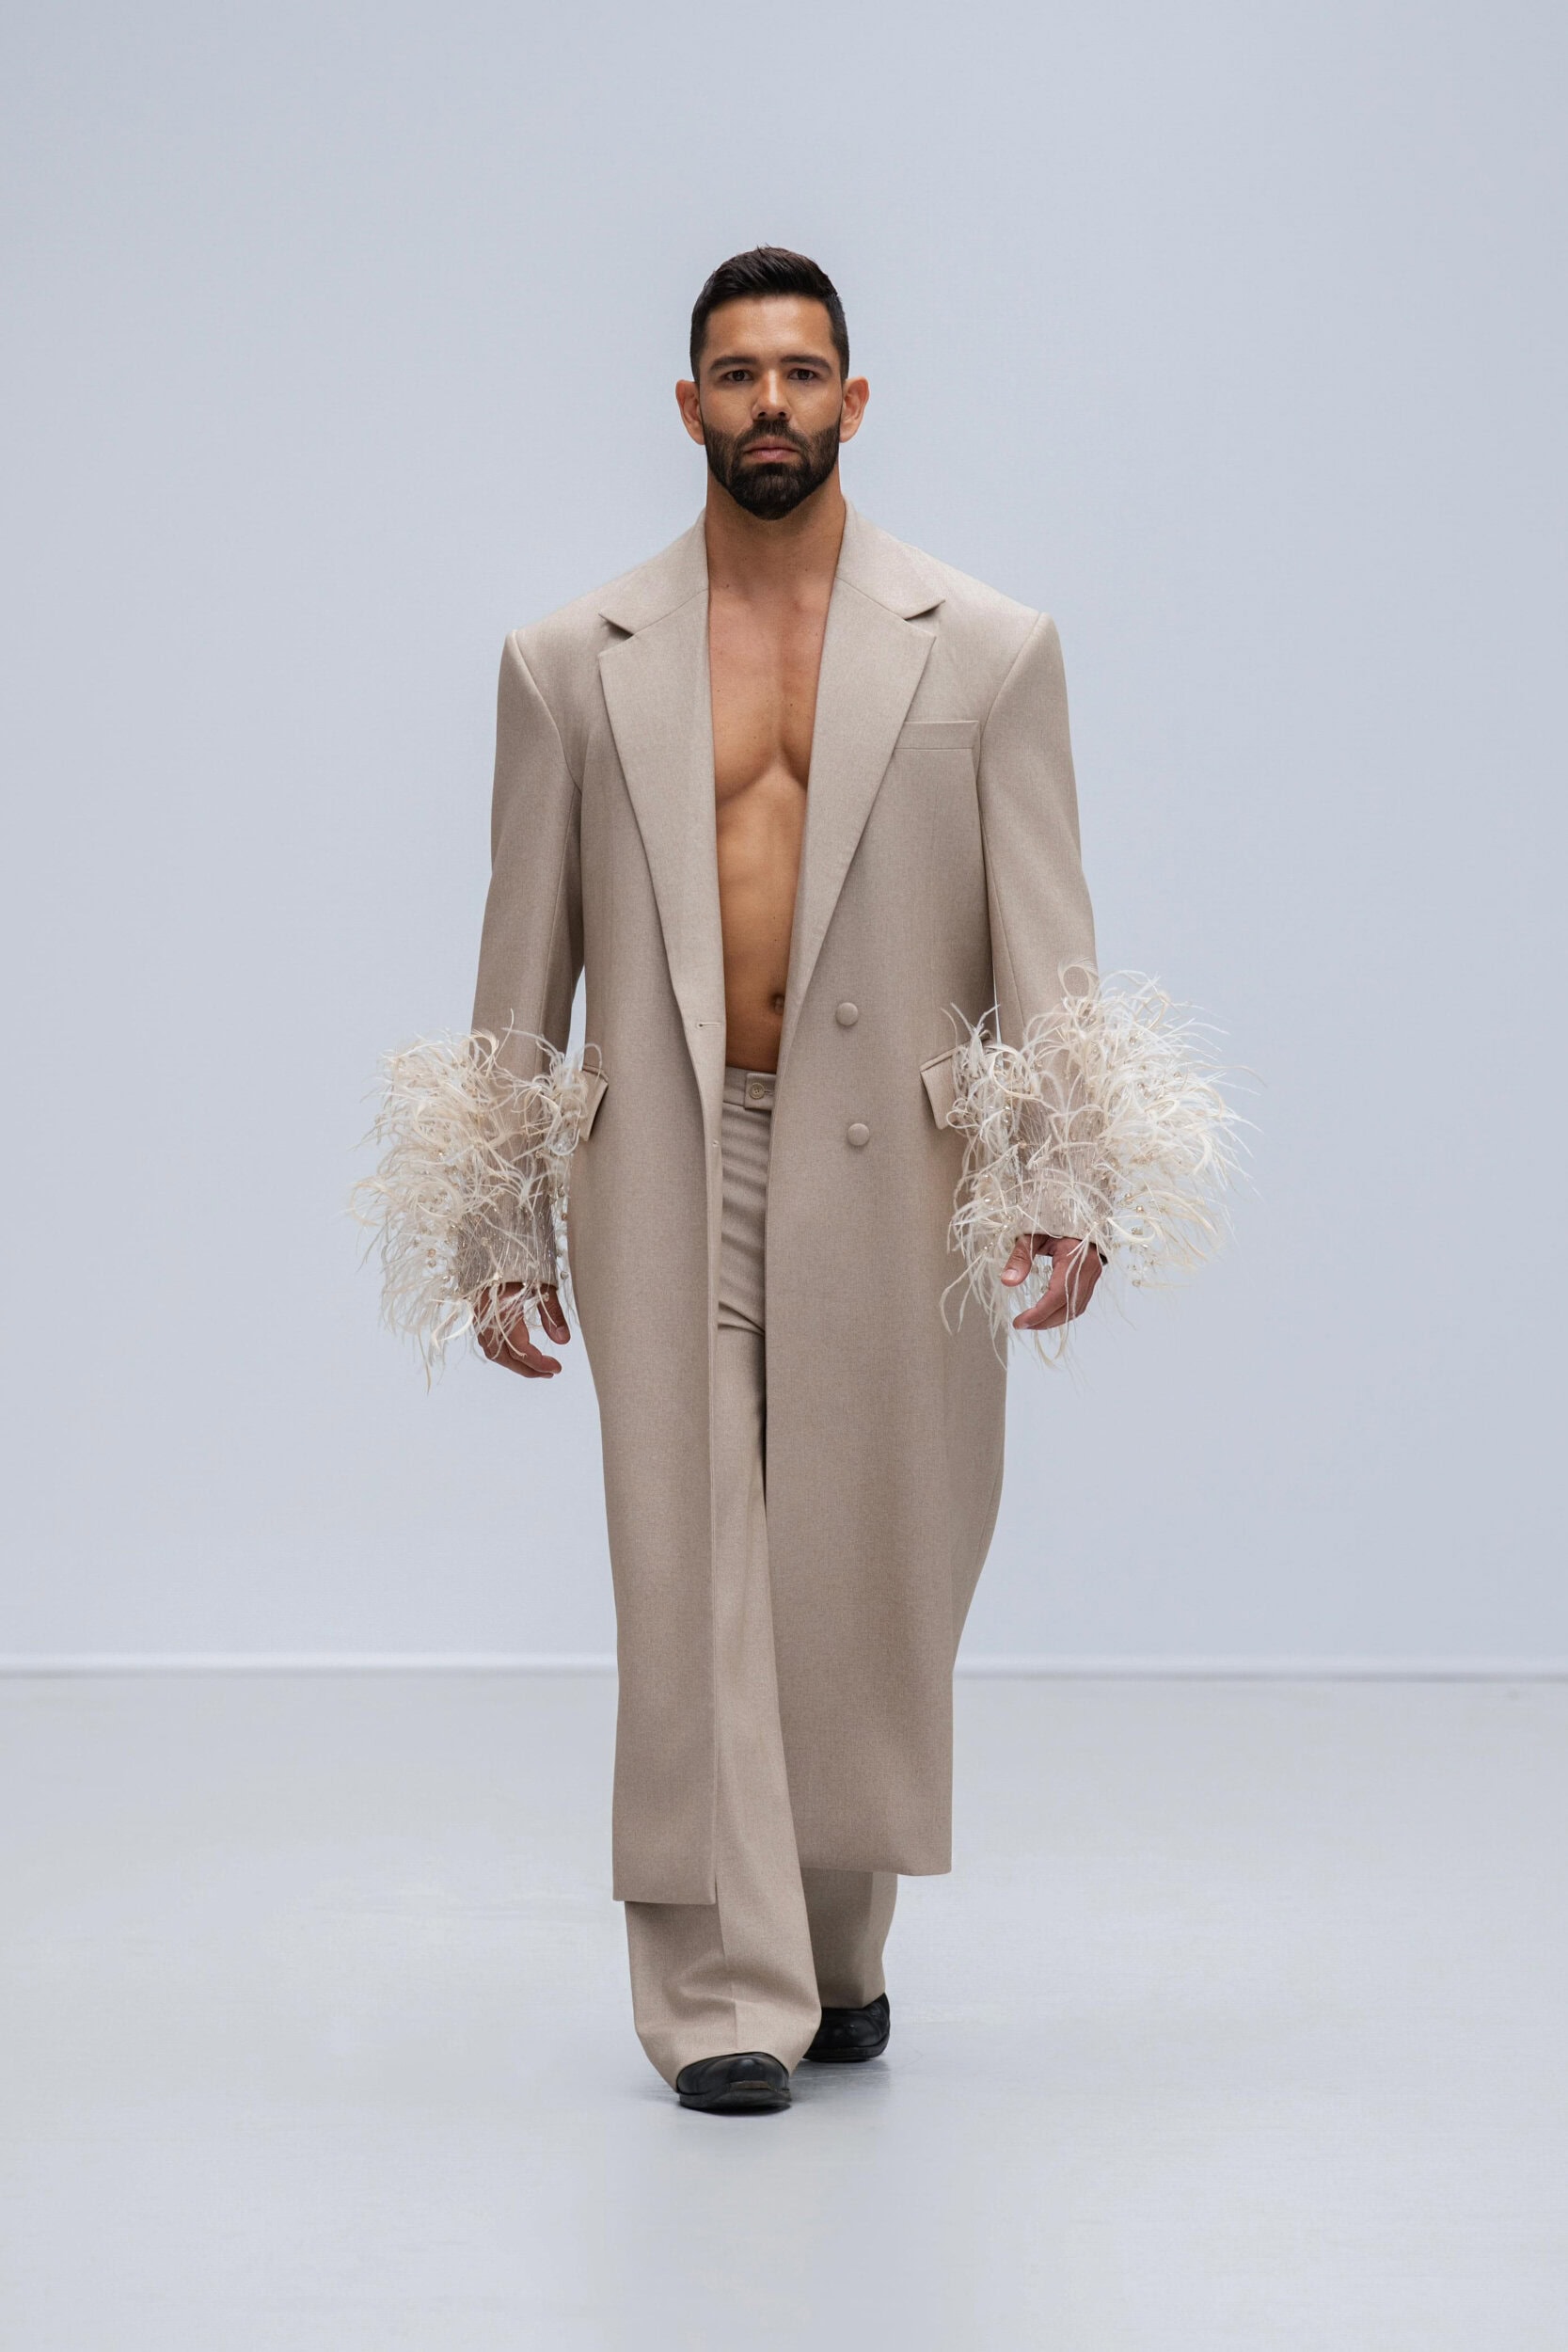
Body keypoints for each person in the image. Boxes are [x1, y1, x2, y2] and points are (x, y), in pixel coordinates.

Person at [358, 247, 1235, 2114]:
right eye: (739, 373)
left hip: (904, 1167)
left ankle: (833, 1946)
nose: (772, 402)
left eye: (803, 371)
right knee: (695, 1570)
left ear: (856, 399)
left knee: (868, 1566)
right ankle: (717, 1995)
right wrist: (497, 1220)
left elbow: (1050, 940)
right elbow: (519, 970)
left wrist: (1070, 1173)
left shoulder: (986, 647)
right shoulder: (569, 662)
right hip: (668, 1160)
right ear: (687, 405)